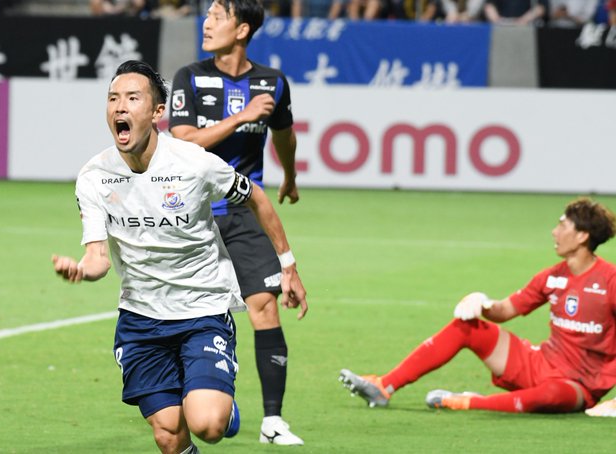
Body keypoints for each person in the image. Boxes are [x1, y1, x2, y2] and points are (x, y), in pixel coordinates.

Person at [52, 60, 307, 454]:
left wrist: (287, 264)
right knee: (169, 435)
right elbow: (98, 257)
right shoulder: (94, 177)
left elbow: (255, 196)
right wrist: (81, 270)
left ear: (157, 112)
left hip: (202, 310)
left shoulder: (194, 163)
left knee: (207, 424)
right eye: (113, 99)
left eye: (132, 98)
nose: (120, 107)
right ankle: (206, 399)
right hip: (141, 319)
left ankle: (219, 404)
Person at [168, 0, 307, 446]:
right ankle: (195, 400)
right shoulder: (189, 77)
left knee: (265, 305)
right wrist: (242, 117)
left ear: (242, 29)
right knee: (182, 312)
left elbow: (284, 135)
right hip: (192, 214)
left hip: (245, 210)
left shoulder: (272, 83)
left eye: (217, 17)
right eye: (207, 16)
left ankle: (273, 420)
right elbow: (184, 142)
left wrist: (290, 175)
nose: (206, 24)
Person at [340, 198, 616, 414]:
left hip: (578, 385)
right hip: (541, 364)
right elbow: (505, 311)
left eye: (562, 226)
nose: (554, 232)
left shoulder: (609, 280)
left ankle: (467, 402)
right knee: (467, 327)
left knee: (551, 395)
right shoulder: (552, 276)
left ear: (582, 236)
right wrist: (482, 303)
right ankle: (383, 386)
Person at [484, 0, 548, 25]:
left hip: (527, 28)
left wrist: (523, 20)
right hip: (501, 27)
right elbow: (489, 6)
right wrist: (497, 21)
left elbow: (541, 8)